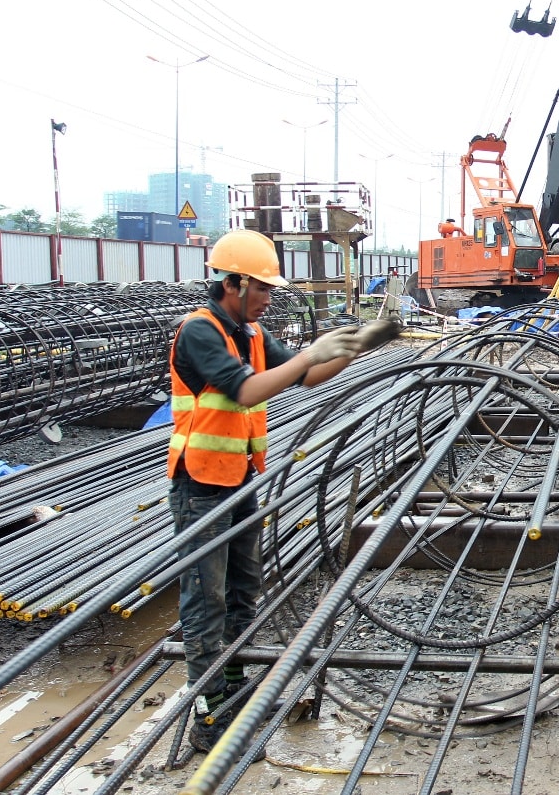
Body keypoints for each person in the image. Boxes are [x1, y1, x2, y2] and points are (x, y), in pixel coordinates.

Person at [168, 229, 397, 753]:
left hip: (240, 477)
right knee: (206, 600)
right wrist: (309, 353)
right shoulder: (199, 332)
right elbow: (247, 389)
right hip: (200, 482)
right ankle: (207, 711)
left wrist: (360, 345)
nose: (269, 299)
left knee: (244, 589)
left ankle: (234, 686)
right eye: (264, 289)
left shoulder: (249, 332)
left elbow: (308, 376)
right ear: (236, 283)